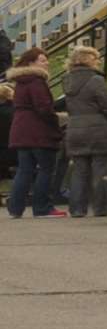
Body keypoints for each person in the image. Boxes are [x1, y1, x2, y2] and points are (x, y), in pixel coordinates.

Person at [59, 45, 107, 218]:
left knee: (79, 171)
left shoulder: (67, 81)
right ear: (87, 60)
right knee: (101, 170)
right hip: (98, 130)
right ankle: (100, 208)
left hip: (75, 130)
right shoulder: (96, 80)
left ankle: (77, 209)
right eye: (96, 58)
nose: (98, 61)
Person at [5, 47, 64, 219]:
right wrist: (56, 126)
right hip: (38, 132)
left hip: (21, 132)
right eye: (42, 60)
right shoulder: (37, 82)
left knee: (25, 170)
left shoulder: (21, 82)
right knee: (46, 169)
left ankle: (15, 207)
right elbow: (44, 108)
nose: (47, 63)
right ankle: (42, 207)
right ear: (31, 63)